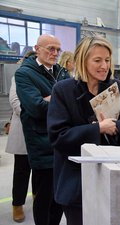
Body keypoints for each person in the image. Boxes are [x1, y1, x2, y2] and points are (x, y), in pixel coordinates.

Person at [47, 36, 120, 225]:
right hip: (76, 180)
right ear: (82, 60)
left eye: (107, 60)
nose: (104, 66)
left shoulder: (115, 87)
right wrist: (97, 129)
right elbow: (58, 137)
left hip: (112, 175)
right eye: (97, 60)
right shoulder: (63, 90)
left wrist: (115, 126)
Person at [15, 34, 70, 225]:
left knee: (59, 197)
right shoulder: (24, 74)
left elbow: (72, 101)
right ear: (37, 49)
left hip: (62, 142)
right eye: (50, 49)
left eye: (58, 49)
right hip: (41, 144)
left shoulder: (62, 72)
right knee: (44, 198)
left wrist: (50, 98)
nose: (55, 53)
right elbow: (36, 108)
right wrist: (61, 100)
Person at [4, 51, 36, 223]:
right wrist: (36, 112)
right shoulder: (19, 76)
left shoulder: (44, 76)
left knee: (41, 170)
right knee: (22, 170)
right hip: (25, 129)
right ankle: (17, 205)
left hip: (42, 132)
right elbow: (15, 101)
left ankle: (39, 198)